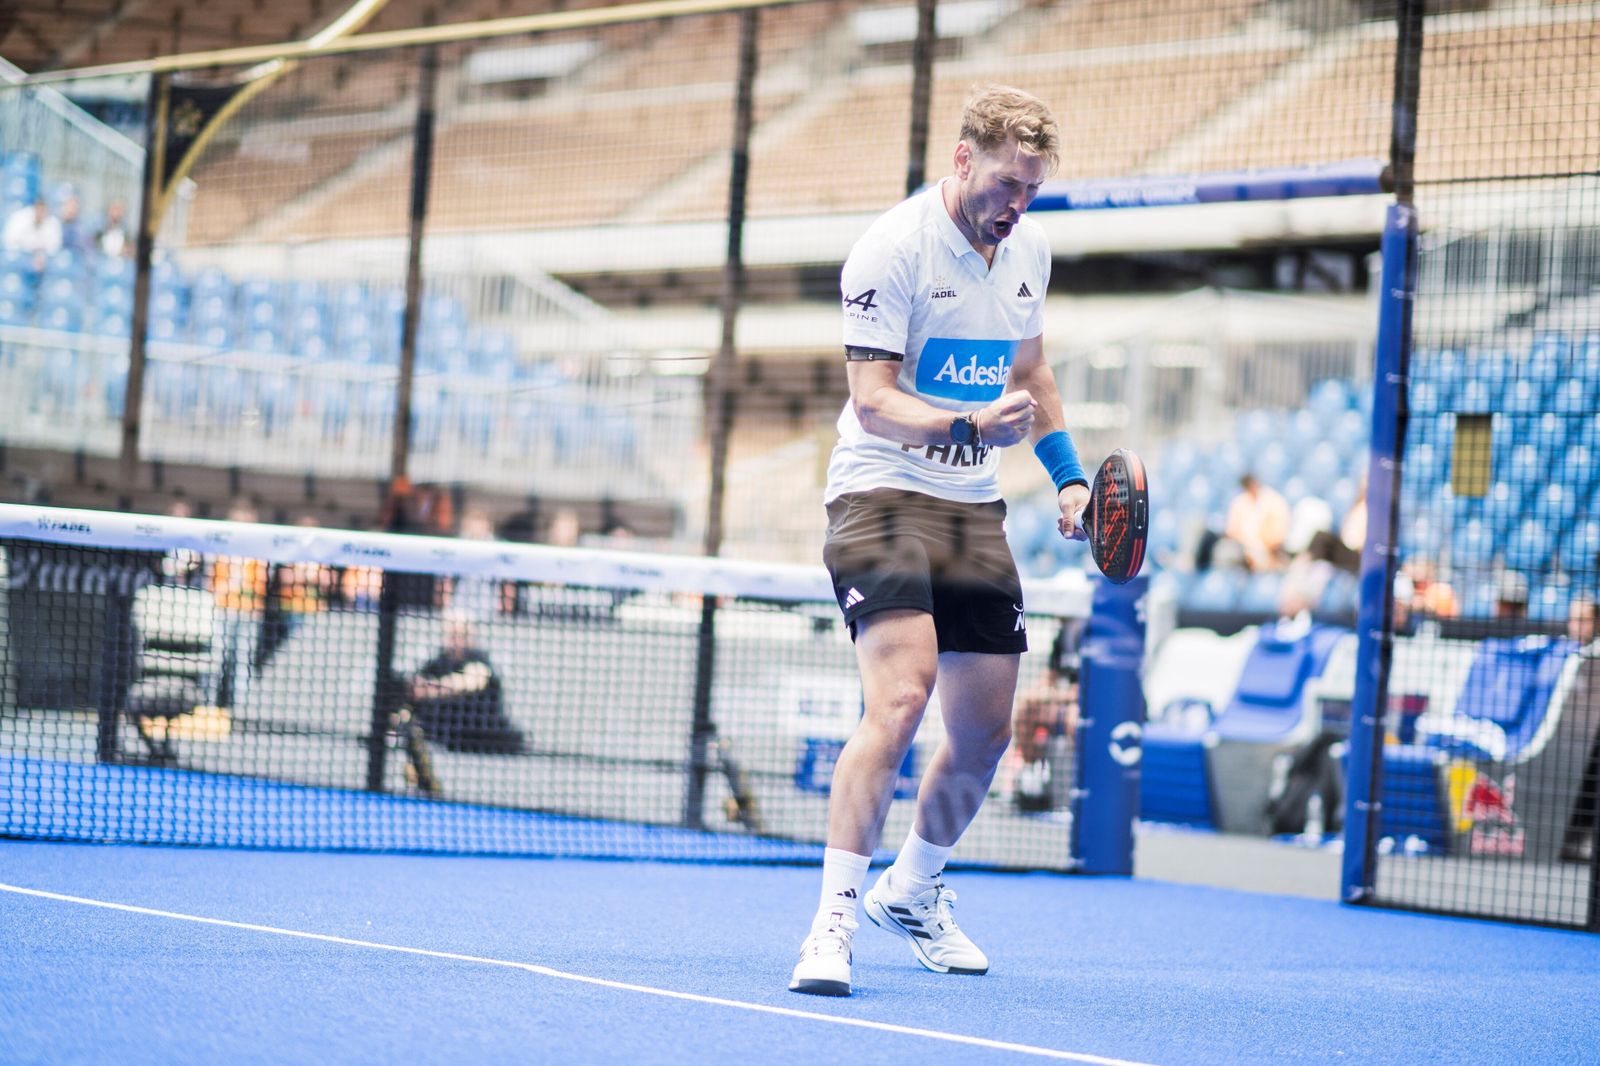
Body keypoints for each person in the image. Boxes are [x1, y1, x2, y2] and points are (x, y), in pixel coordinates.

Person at [789, 84, 1088, 998]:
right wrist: (967, 425)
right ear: (963, 162)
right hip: (880, 491)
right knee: (902, 700)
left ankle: (912, 890)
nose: (1016, 204)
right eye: (1004, 183)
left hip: (973, 505)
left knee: (988, 729)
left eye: (1030, 188)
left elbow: (1030, 373)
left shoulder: (1028, 247)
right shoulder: (893, 249)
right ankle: (830, 924)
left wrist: (1069, 473)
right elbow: (874, 404)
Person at [397, 612, 522, 755]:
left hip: (482, 742)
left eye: (462, 635)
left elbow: (470, 681)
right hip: (444, 743)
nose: (456, 641)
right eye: (452, 635)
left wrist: (432, 689)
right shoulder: (436, 664)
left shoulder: (480, 661)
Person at [1010, 617, 1083, 812]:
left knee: (1073, 721)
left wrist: (1054, 696)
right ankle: (1031, 772)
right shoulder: (1062, 634)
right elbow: (1046, 681)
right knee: (1027, 707)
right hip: (1066, 701)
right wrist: (1043, 695)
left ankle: (1080, 790)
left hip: (1091, 704)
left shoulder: (1094, 631)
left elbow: (1082, 692)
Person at [1561, 595, 1600, 863]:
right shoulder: (1560, 655)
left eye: (1583, 619)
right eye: (1573, 618)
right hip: (1564, 741)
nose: (1577, 625)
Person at [1223, 473, 1290, 572]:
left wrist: (1263, 543)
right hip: (1242, 546)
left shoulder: (1274, 501)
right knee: (1226, 552)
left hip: (1266, 547)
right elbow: (1231, 530)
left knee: (1259, 556)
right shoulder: (1239, 502)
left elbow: (1278, 533)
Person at [3, 196, 62, 273]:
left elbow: (54, 247)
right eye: (38, 208)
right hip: (20, 259)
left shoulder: (53, 222)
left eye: (43, 209)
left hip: (43, 262)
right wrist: (27, 258)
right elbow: (9, 242)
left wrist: (41, 256)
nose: (41, 212)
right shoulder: (19, 219)